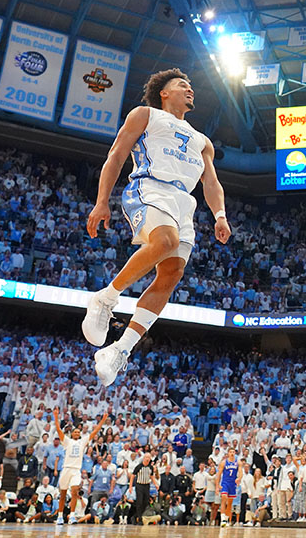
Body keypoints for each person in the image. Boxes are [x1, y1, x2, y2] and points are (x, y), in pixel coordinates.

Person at [82, 68, 232, 386]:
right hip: (149, 187)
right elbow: (117, 154)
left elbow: (212, 182)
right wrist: (101, 201)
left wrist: (220, 214)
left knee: (171, 276)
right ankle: (106, 298)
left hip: (184, 202)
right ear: (164, 93)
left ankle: (119, 350)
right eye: (182, 85)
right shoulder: (145, 114)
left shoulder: (203, 141)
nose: (189, 89)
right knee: (165, 241)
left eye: (191, 85)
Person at [53, 407, 108, 524]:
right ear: (72, 434)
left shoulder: (83, 442)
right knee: (62, 495)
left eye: (78, 432)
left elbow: (94, 432)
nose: (77, 433)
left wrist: (103, 420)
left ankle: (72, 516)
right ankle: (60, 516)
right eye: (75, 432)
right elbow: (58, 430)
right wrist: (56, 417)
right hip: (66, 469)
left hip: (76, 470)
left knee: (74, 492)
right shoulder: (67, 441)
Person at [214, 448, 241, 527]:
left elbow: (240, 472)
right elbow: (218, 475)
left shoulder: (238, 462)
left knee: (229, 504)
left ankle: (226, 519)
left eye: (233, 452)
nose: (232, 453)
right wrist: (217, 486)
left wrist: (239, 478)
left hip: (233, 484)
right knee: (224, 498)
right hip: (225, 483)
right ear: (228, 453)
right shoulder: (223, 462)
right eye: (230, 452)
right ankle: (223, 520)